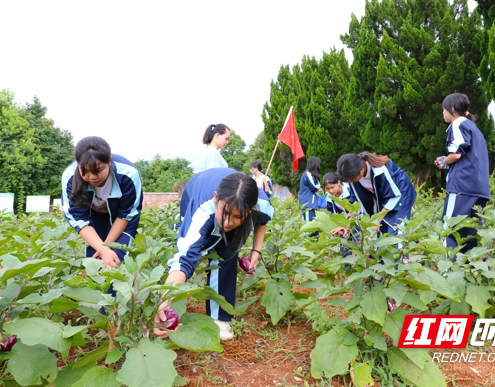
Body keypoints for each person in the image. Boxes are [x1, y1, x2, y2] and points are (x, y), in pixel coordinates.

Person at [154, 168, 274, 341]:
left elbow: (262, 221)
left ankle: (219, 317)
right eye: (224, 212)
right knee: (195, 244)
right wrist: (165, 298)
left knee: (227, 249)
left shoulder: (260, 204)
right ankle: (170, 285)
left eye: (236, 217)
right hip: (197, 189)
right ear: (216, 197)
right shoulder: (203, 209)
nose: (227, 222)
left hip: (234, 199)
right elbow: (185, 258)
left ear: (249, 211)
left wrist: (256, 250)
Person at [61, 136, 143, 274]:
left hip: (121, 220)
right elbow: (79, 217)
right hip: (93, 218)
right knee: (95, 261)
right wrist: (102, 249)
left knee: (116, 258)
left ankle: (117, 295)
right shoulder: (70, 176)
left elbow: (125, 214)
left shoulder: (128, 174)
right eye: (85, 171)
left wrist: (105, 248)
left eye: (98, 170)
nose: (92, 177)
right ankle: (99, 294)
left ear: (109, 161)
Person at [435, 92, 490, 255]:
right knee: (470, 235)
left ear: (452, 109)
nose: (443, 113)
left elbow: (457, 153)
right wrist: (447, 162)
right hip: (479, 190)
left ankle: (446, 276)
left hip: (461, 188)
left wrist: (443, 161)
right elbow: (468, 158)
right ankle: (471, 274)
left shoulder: (457, 124)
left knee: (449, 230)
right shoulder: (475, 129)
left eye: (443, 110)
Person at [336, 152, 416, 237]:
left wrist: (377, 220)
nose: (350, 181)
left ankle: (402, 248)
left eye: (351, 178)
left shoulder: (380, 170)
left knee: (396, 230)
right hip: (384, 196)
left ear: (361, 170)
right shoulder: (354, 177)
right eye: (348, 179)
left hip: (401, 193)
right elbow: (356, 203)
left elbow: (393, 197)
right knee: (382, 230)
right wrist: (346, 224)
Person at [298, 156, 322, 222]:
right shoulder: (308, 174)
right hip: (307, 204)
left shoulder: (309, 174)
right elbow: (314, 187)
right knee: (308, 224)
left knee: (314, 225)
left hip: (311, 204)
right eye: (318, 165)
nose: (319, 167)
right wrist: (318, 187)